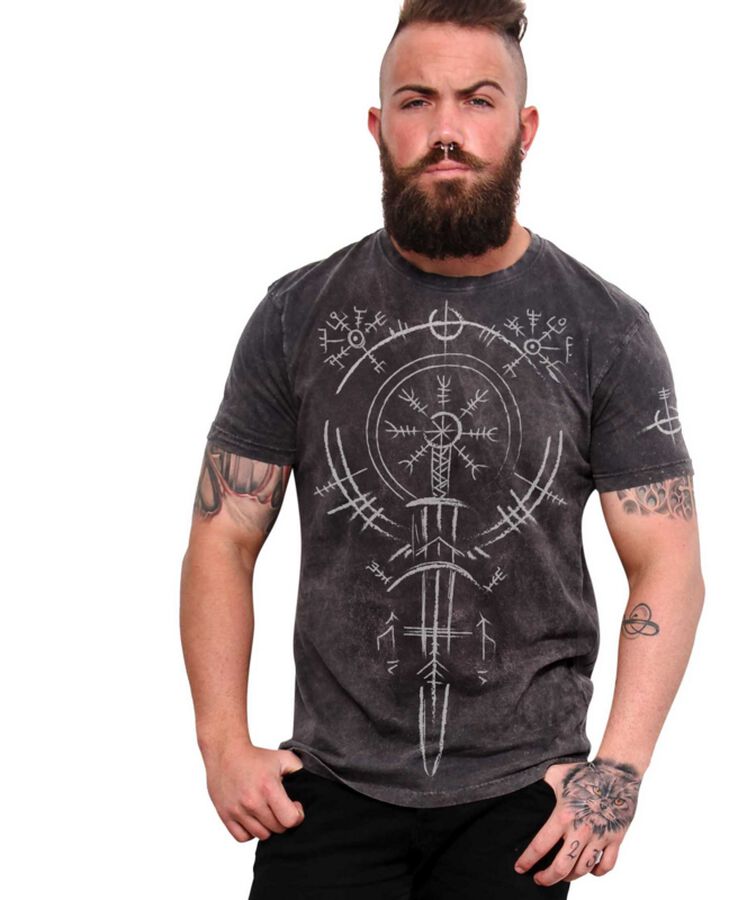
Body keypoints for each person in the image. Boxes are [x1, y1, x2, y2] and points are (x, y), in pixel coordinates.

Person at [180, 1, 705, 897]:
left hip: (523, 799)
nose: (447, 130)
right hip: (326, 790)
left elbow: (667, 561)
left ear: (524, 128)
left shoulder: (605, 329)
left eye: (478, 100)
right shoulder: (296, 315)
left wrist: (617, 771)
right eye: (417, 101)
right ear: (378, 127)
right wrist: (222, 744)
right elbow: (223, 537)